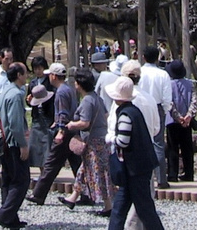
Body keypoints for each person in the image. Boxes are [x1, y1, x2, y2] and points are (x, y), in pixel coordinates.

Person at [105, 76, 165, 230]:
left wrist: (111, 138)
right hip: (137, 168)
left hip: (135, 169)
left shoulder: (125, 115)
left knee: (144, 209)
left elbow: (123, 142)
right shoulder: (133, 110)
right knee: (122, 206)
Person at [58, 70, 114, 217]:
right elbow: (106, 115)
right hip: (100, 138)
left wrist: (71, 125)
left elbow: (85, 122)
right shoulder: (97, 97)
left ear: (80, 84)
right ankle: (72, 198)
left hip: (93, 141)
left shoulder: (87, 101)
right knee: (85, 169)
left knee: (99, 172)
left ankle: (109, 205)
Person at [26, 63, 81, 205]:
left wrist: (60, 130)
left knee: (51, 163)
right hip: (71, 130)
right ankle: (86, 193)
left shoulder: (61, 92)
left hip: (64, 132)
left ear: (54, 76)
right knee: (77, 164)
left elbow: (63, 112)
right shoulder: (68, 89)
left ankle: (38, 194)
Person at [0, 62, 30, 230]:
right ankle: (5, 215)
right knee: (21, 181)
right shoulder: (15, 95)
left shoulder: (4, 92)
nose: (27, 75)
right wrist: (23, 144)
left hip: (4, 142)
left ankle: (10, 216)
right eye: (25, 72)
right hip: (14, 143)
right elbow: (15, 124)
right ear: (18, 75)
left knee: (8, 180)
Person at [139, 45, 172, 188]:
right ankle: (161, 179)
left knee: (140, 141)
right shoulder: (163, 74)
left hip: (140, 106)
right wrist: (164, 110)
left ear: (143, 57)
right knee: (158, 143)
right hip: (157, 106)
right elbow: (167, 97)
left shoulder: (139, 71)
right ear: (158, 58)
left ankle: (142, 178)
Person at [165, 59, 197, 183]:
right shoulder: (190, 84)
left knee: (173, 147)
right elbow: (194, 101)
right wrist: (188, 116)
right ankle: (189, 173)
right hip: (187, 123)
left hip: (173, 122)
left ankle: (173, 174)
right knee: (187, 147)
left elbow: (169, 103)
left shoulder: (170, 85)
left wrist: (178, 117)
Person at [25, 56, 53, 171]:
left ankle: (47, 171)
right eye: (35, 69)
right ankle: (40, 169)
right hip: (36, 115)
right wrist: (29, 101)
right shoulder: (32, 83)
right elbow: (29, 102)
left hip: (47, 115)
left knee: (47, 144)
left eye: (40, 68)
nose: (38, 71)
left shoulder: (49, 81)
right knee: (36, 145)